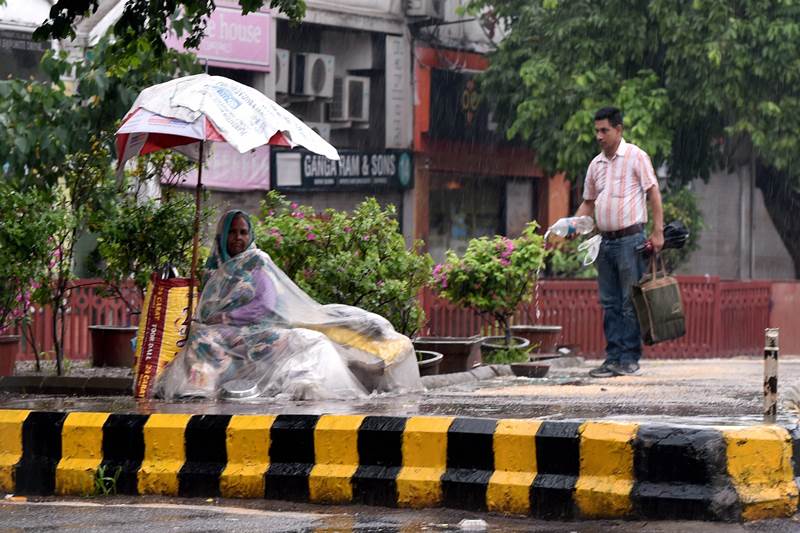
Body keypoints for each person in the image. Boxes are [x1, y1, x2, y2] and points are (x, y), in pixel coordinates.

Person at [156, 209, 422, 400]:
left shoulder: (257, 264)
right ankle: (201, 390)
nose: (238, 238)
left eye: (243, 232)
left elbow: (264, 305)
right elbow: (207, 307)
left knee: (308, 341)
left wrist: (226, 319)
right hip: (223, 333)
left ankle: (307, 384)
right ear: (222, 236)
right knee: (201, 338)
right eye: (232, 232)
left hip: (257, 328)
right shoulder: (213, 268)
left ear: (250, 235)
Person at [574, 107, 664, 378]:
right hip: (605, 242)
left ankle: (629, 358)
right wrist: (572, 225)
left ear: (619, 130)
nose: (599, 136)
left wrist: (658, 231)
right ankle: (612, 358)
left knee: (629, 302)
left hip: (630, 240)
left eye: (605, 130)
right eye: (597, 131)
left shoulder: (636, 156)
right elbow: (588, 203)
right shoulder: (595, 164)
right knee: (609, 302)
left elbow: (653, 192)